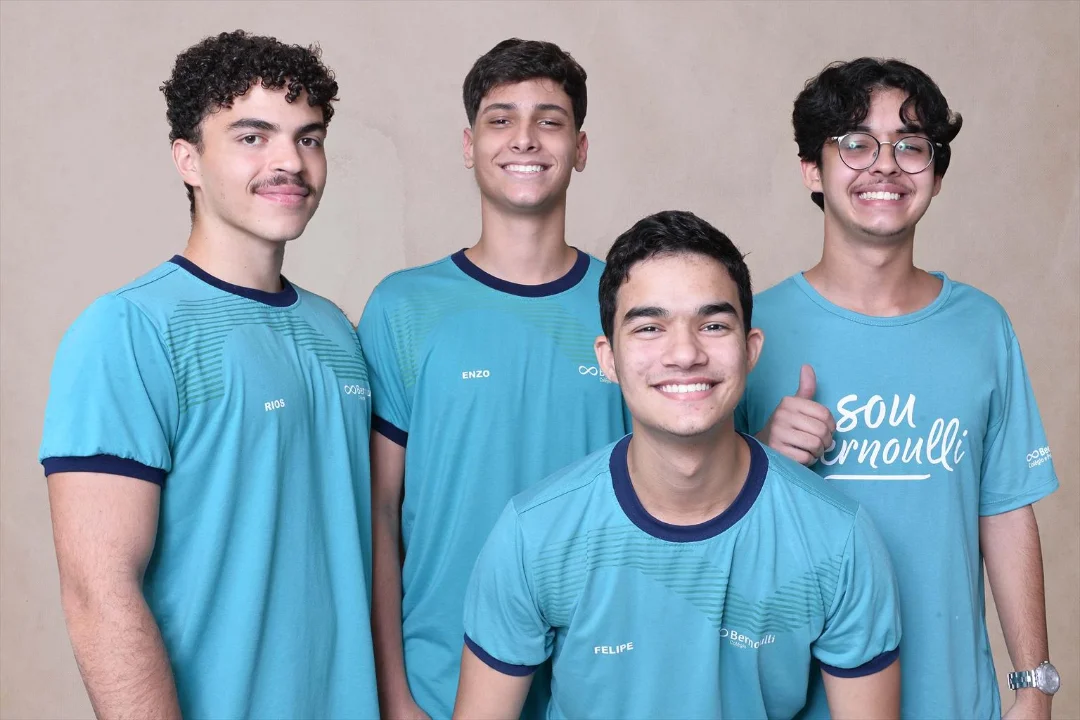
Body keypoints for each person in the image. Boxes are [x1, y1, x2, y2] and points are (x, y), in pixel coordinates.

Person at [39, 30, 378, 719]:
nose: (290, 162)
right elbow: (99, 594)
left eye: (308, 138)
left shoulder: (338, 332)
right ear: (188, 159)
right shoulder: (128, 330)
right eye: (253, 137)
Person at [455, 210, 902, 720]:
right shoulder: (533, 534)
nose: (685, 353)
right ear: (608, 358)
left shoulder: (838, 539)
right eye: (650, 327)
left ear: (750, 350)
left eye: (712, 325)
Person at [738, 58, 1061, 719]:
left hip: (955, 702)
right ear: (812, 170)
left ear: (935, 176)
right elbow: (691, 522)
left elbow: (1004, 510)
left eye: (910, 146)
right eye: (856, 143)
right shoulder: (748, 332)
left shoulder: (982, 327)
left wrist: (1034, 684)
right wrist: (761, 456)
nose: (885, 166)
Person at [358, 38, 628, 719]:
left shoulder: (631, 303)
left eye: (550, 120)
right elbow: (380, 512)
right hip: (441, 682)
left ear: (580, 148)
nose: (524, 138)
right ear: (469, 144)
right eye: (500, 119)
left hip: (602, 680)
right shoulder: (403, 306)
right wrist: (394, 693)